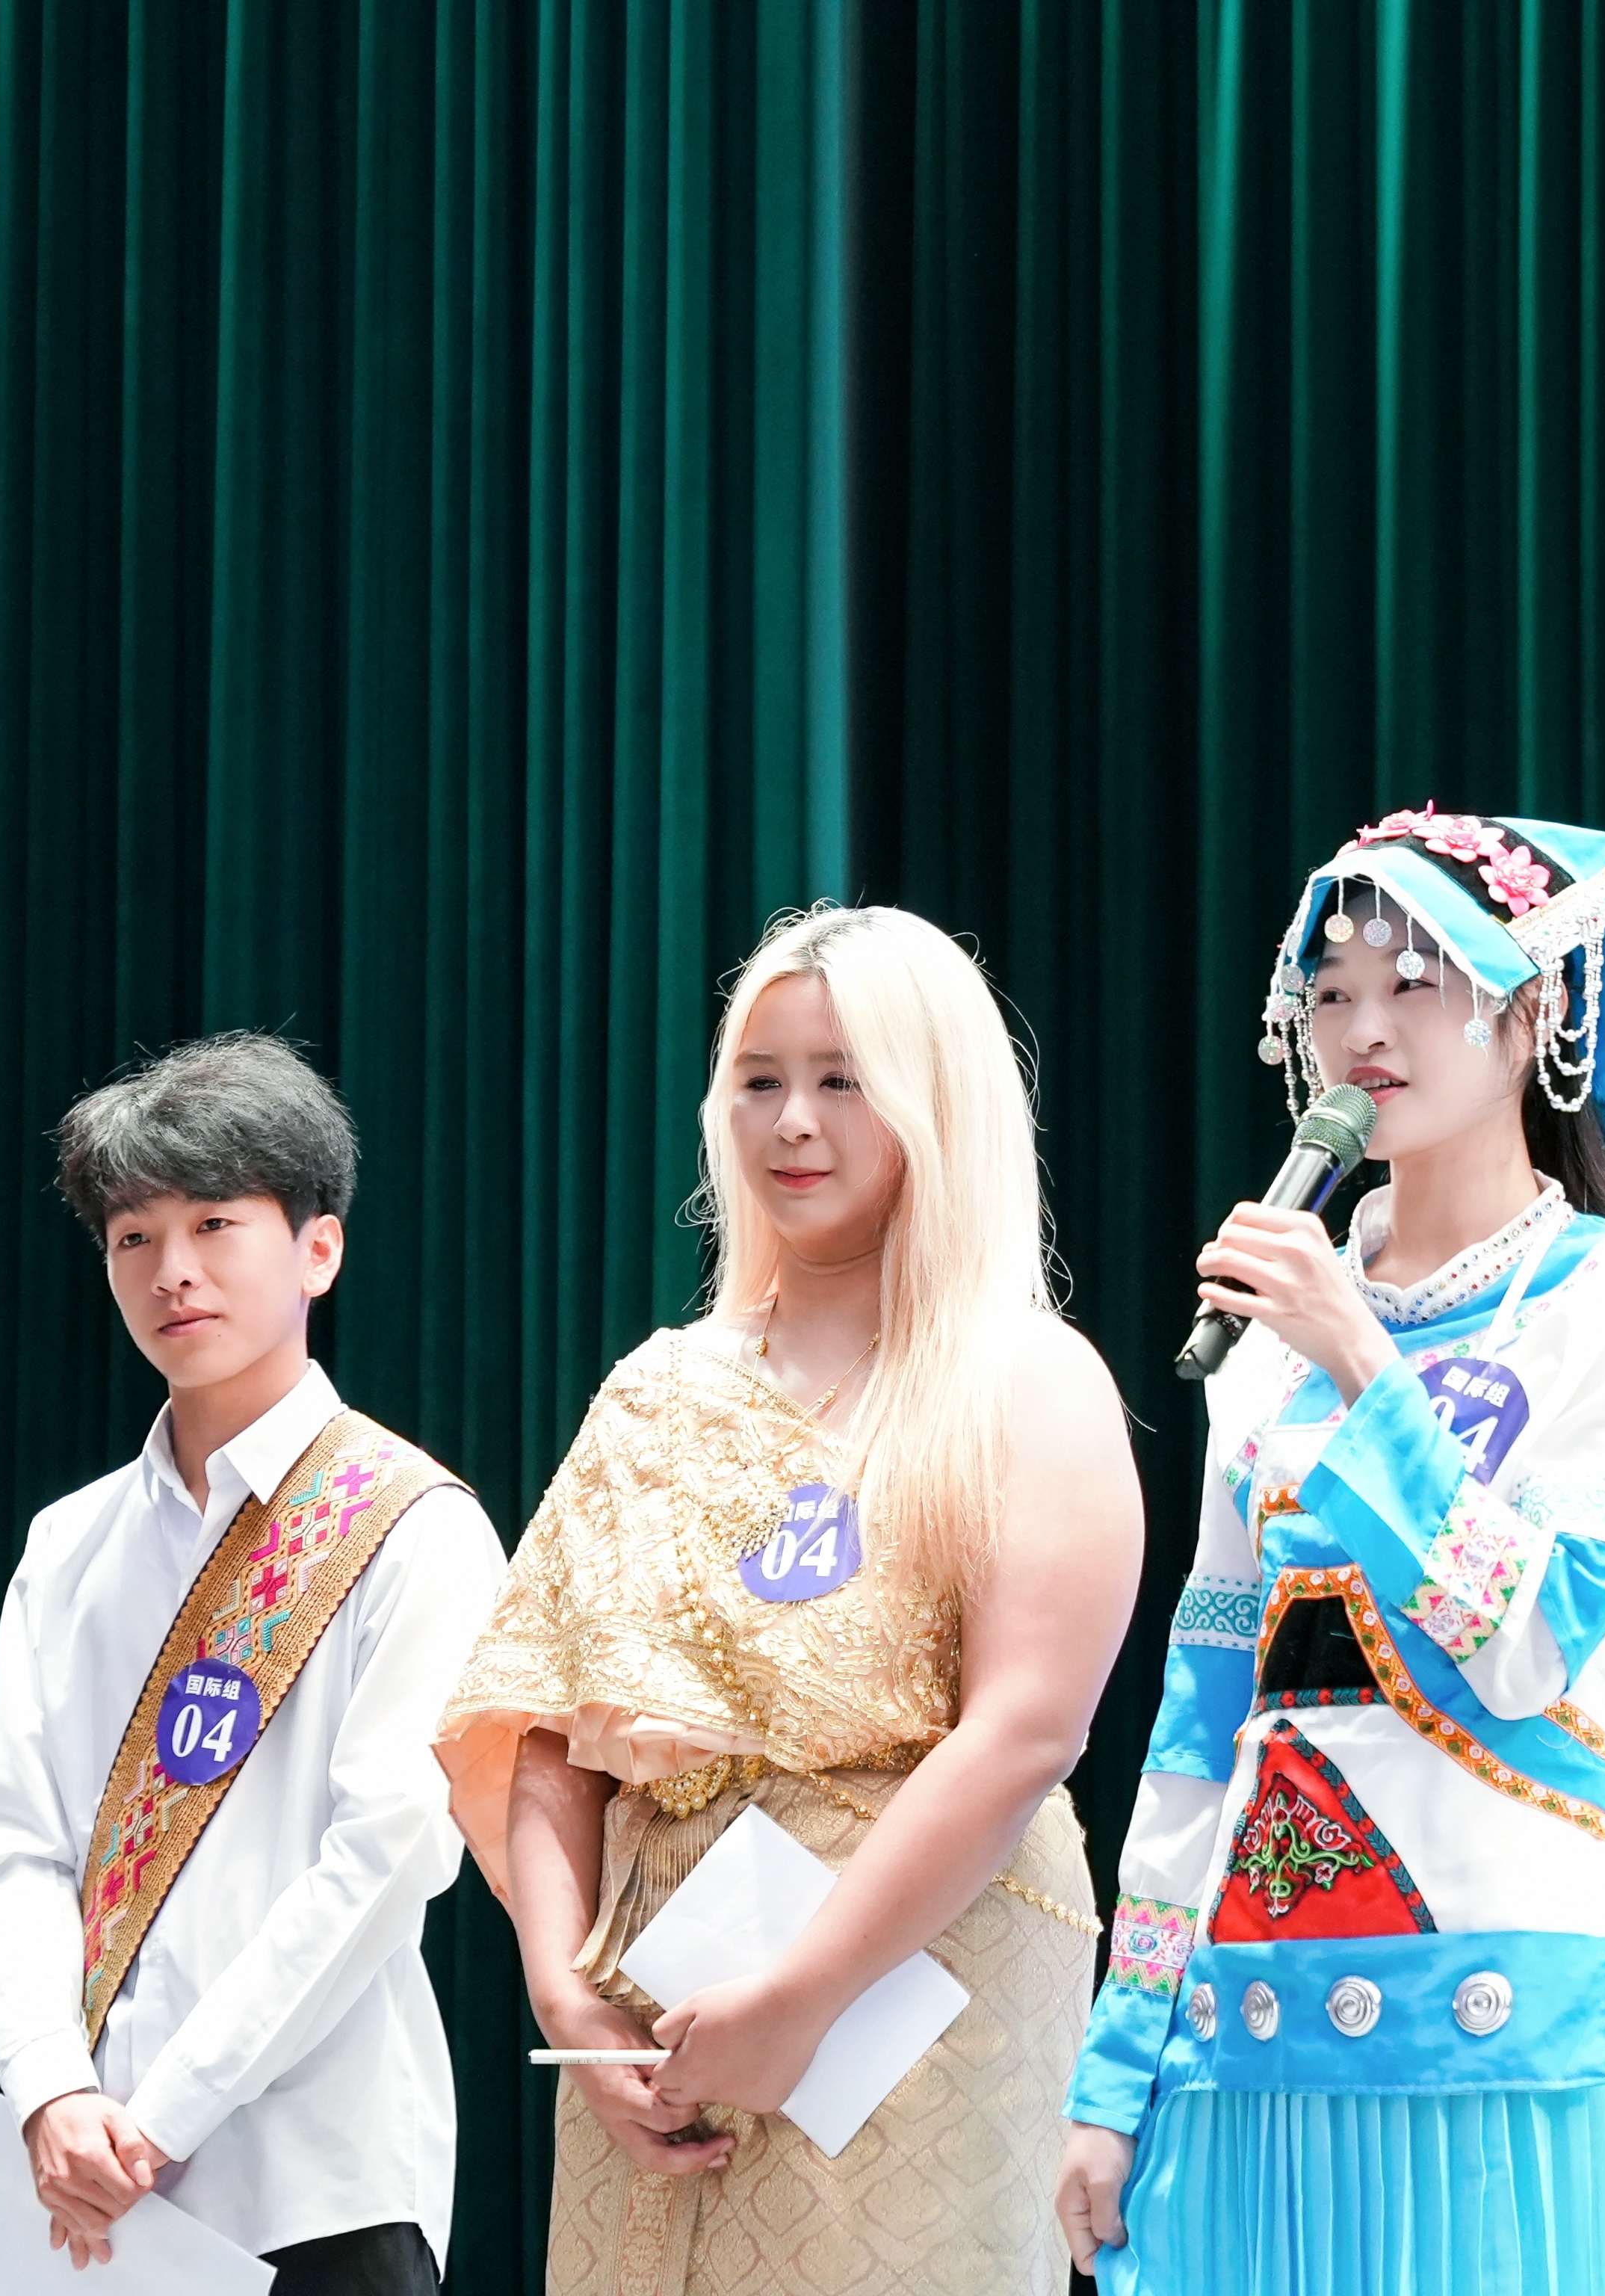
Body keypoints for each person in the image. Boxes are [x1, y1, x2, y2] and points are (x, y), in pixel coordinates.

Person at [1055, 809, 1605, 2296]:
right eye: (1334, 991)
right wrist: (1117, 2068)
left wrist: (1363, 1363)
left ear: (1534, 1011)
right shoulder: (1267, 1344)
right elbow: (1203, 1712)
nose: (1365, 1030)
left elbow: (1540, 1647)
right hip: (1253, 2001)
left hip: (1509, 1987)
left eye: (1417, 985)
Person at [436, 904, 1145, 2296]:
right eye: (760, 1081)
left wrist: (806, 1989)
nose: (794, 1122)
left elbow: (1025, 1732)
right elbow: (545, 1723)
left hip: (925, 1985)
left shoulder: (1026, 1377)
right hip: (659, 2000)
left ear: (938, 1101)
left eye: (844, 1079)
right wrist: (565, 1995)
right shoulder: (660, 1385)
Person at [0, 1032, 509, 2295]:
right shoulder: (69, 1547)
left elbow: (386, 1860)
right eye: (134, 1236)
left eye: (216, 1223)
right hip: (82, 2195)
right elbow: (19, 1848)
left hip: (314, 2182)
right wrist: (49, 2085)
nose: (174, 1270)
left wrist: (163, 2115)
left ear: (319, 1249)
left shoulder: (411, 1526)